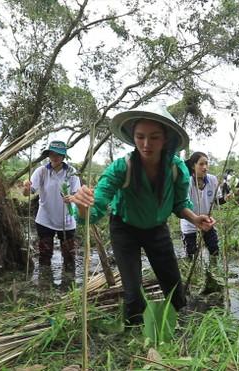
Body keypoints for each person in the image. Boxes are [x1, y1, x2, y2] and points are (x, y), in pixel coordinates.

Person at [71, 105, 215, 326]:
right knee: (133, 291)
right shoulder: (121, 168)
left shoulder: (177, 169)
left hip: (157, 228)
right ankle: (135, 336)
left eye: (154, 137)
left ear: (165, 139)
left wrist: (195, 219)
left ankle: (181, 329)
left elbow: (178, 204)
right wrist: (83, 205)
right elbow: (95, 207)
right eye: (140, 137)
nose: (146, 144)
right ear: (133, 137)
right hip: (124, 229)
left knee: (174, 286)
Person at [23, 140, 81, 270]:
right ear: (48, 155)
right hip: (45, 218)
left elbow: (77, 195)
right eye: (52, 154)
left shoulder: (71, 172)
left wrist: (71, 198)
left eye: (58, 154)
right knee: (44, 255)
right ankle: (44, 284)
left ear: (63, 156)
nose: (55, 157)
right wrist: (26, 187)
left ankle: (68, 285)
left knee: (69, 257)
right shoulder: (41, 171)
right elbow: (28, 193)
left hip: (67, 219)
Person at [180, 152, 219, 260]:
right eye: (201, 164)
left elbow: (217, 200)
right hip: (189, 221)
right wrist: (195, 218)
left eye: (206, 164)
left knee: (214, 249)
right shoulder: (187, 182)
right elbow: (183, 205)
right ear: (193, 166)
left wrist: (227, 198)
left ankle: (211, 272)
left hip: (206, 221)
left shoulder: (213, 180)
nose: (205, 167)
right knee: (191, 254)